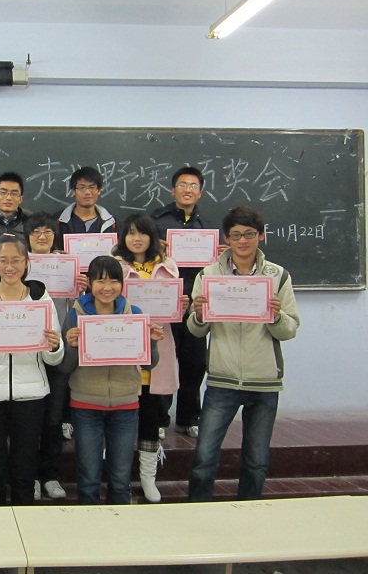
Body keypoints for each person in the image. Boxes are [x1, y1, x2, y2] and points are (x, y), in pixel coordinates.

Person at [187, 206, 299, 502]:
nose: (242, 241)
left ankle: (250, 513)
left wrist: (276, 316)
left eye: (249, 234)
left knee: (256, 460)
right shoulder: (209, 275)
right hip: (222, 380)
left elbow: (290, 330)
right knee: (204, 457)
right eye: (236, 235)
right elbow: (195, 330)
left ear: (260, 236)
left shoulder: (278, 276)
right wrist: (199, 315)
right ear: (227, 238)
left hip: (264, 382)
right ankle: (196, 513)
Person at [0, 234, 64, 506]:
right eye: (3, 260)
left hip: (31, 394)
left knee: (24, 468)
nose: (10, 267)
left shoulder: (41, 300)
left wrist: (54, 346)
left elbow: (54, 358)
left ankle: (25, 520)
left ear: (26, 262)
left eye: (16, 260)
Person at [59, 256, 163, 505]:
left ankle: (119, 525)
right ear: (89, 283)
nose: (107, 287)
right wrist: (71, 347)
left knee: (120, 479)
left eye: (114, 281)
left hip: (125, 406)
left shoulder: (135, 315)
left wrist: (151, 342)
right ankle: (90, 524)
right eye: (100, 281)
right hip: (85, 406)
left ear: (122, 284)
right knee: (88, 479)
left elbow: (148, 364)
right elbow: (64, 367)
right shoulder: (74, 316)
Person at [112, 214, 187, 503]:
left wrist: (181, 304)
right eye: (131, 233)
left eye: (142, 233)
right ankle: (118, 478)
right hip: (124, 350)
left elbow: (174, 312)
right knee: (121, 419)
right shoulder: (114, 266)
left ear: (152, 237)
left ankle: (147, 477)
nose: (137, 239)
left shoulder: (168, 266)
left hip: (158, 349)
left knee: (151, 419)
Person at [151, 166, 218, 439]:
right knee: (164, 362)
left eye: (193, 186)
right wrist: (154, 247)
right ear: (173, 190)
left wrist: (219, 254)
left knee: (194, 362)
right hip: (165, 304)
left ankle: (189, 417)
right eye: (182, 185)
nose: (187, 190)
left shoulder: (208, 227)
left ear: (200, 192)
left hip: (194, 304)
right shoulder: (156, 221)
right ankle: (159, 418)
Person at [23, 212, 87, 501]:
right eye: (36, 232)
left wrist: (80, 289)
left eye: (47, 232)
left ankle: (50, 474)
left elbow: (76, 307)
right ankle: (30, 477)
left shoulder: (67, 265)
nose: (42, 236)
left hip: (57, 350)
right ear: (27, 237)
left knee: (53, 417)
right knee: (29, 420)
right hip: (25, 353)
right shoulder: (19, 264)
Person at [54, 166, 116, 249]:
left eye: (92, 187)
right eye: (81, 188)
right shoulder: (57, 221)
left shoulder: (112, 222)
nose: (87, 192)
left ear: (99, 191)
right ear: (73, 191)